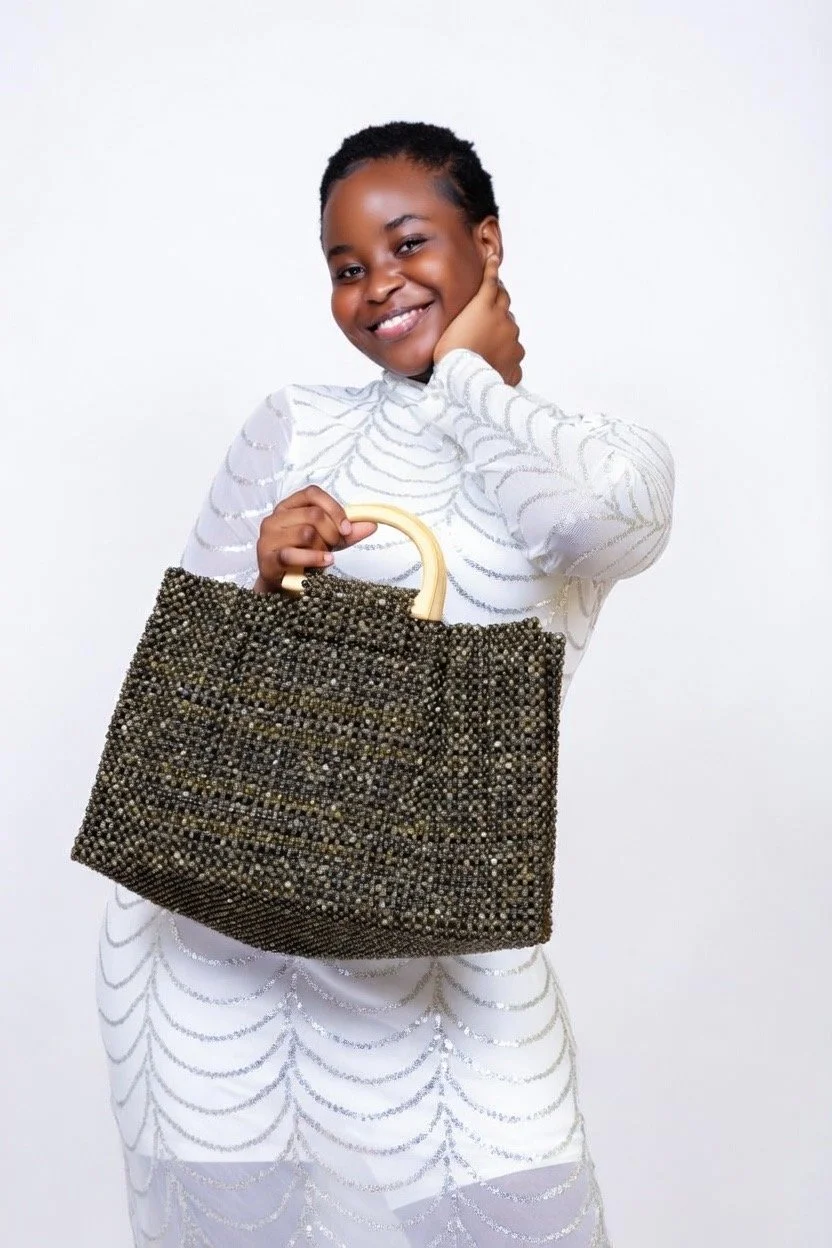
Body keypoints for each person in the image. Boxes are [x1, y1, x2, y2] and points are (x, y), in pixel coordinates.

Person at [97, 121, 674, 1247]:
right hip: (229, 970)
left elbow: (600, 524)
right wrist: (267, 568)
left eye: (408, 245)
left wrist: (465, 374)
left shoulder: (595, 450)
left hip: (455, 956)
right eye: (346, 268)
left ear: (487, 241)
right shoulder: (295, 421)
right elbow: (180, 690)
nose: (376, 288)